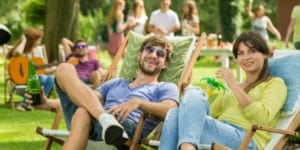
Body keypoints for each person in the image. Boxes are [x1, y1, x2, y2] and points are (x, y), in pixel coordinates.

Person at [28, 35, 179, 149]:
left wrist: (138, 102)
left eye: (160, 54)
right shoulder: (116, 83)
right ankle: (105, 119)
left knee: (82, 112)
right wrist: (47, 103)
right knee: (64, 68)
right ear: (139, 55)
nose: (153, 55)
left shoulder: (165, 87)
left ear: (165, 64)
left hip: (124, 128)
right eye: (149, 50)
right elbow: (88, 99)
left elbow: (171, 110)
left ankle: (106, 120)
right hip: (99, 117)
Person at [159, 31, 287, 150]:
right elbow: (209, 113)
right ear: (236, 58)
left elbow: (262, 117)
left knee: (178, 115)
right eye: (241, 53)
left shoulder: (275, 84)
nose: (246, 57)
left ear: (265, 53)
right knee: (190, 97)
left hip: (246, 138)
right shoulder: (232, 87)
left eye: (252, 51)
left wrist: (233, 85)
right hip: (220, 131)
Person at [6, 28, 55, 111]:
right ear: (31, 41)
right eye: (38, 40)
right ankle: (25, 103)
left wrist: (55, 69)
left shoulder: (37, 52)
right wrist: (24, 41)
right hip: (20, 78)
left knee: (51, 79)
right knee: (39, 78)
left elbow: (44, 71)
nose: (39, 43)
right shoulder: (20, 50)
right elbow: (17, 53)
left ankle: (39, 103)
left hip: (34, 77)